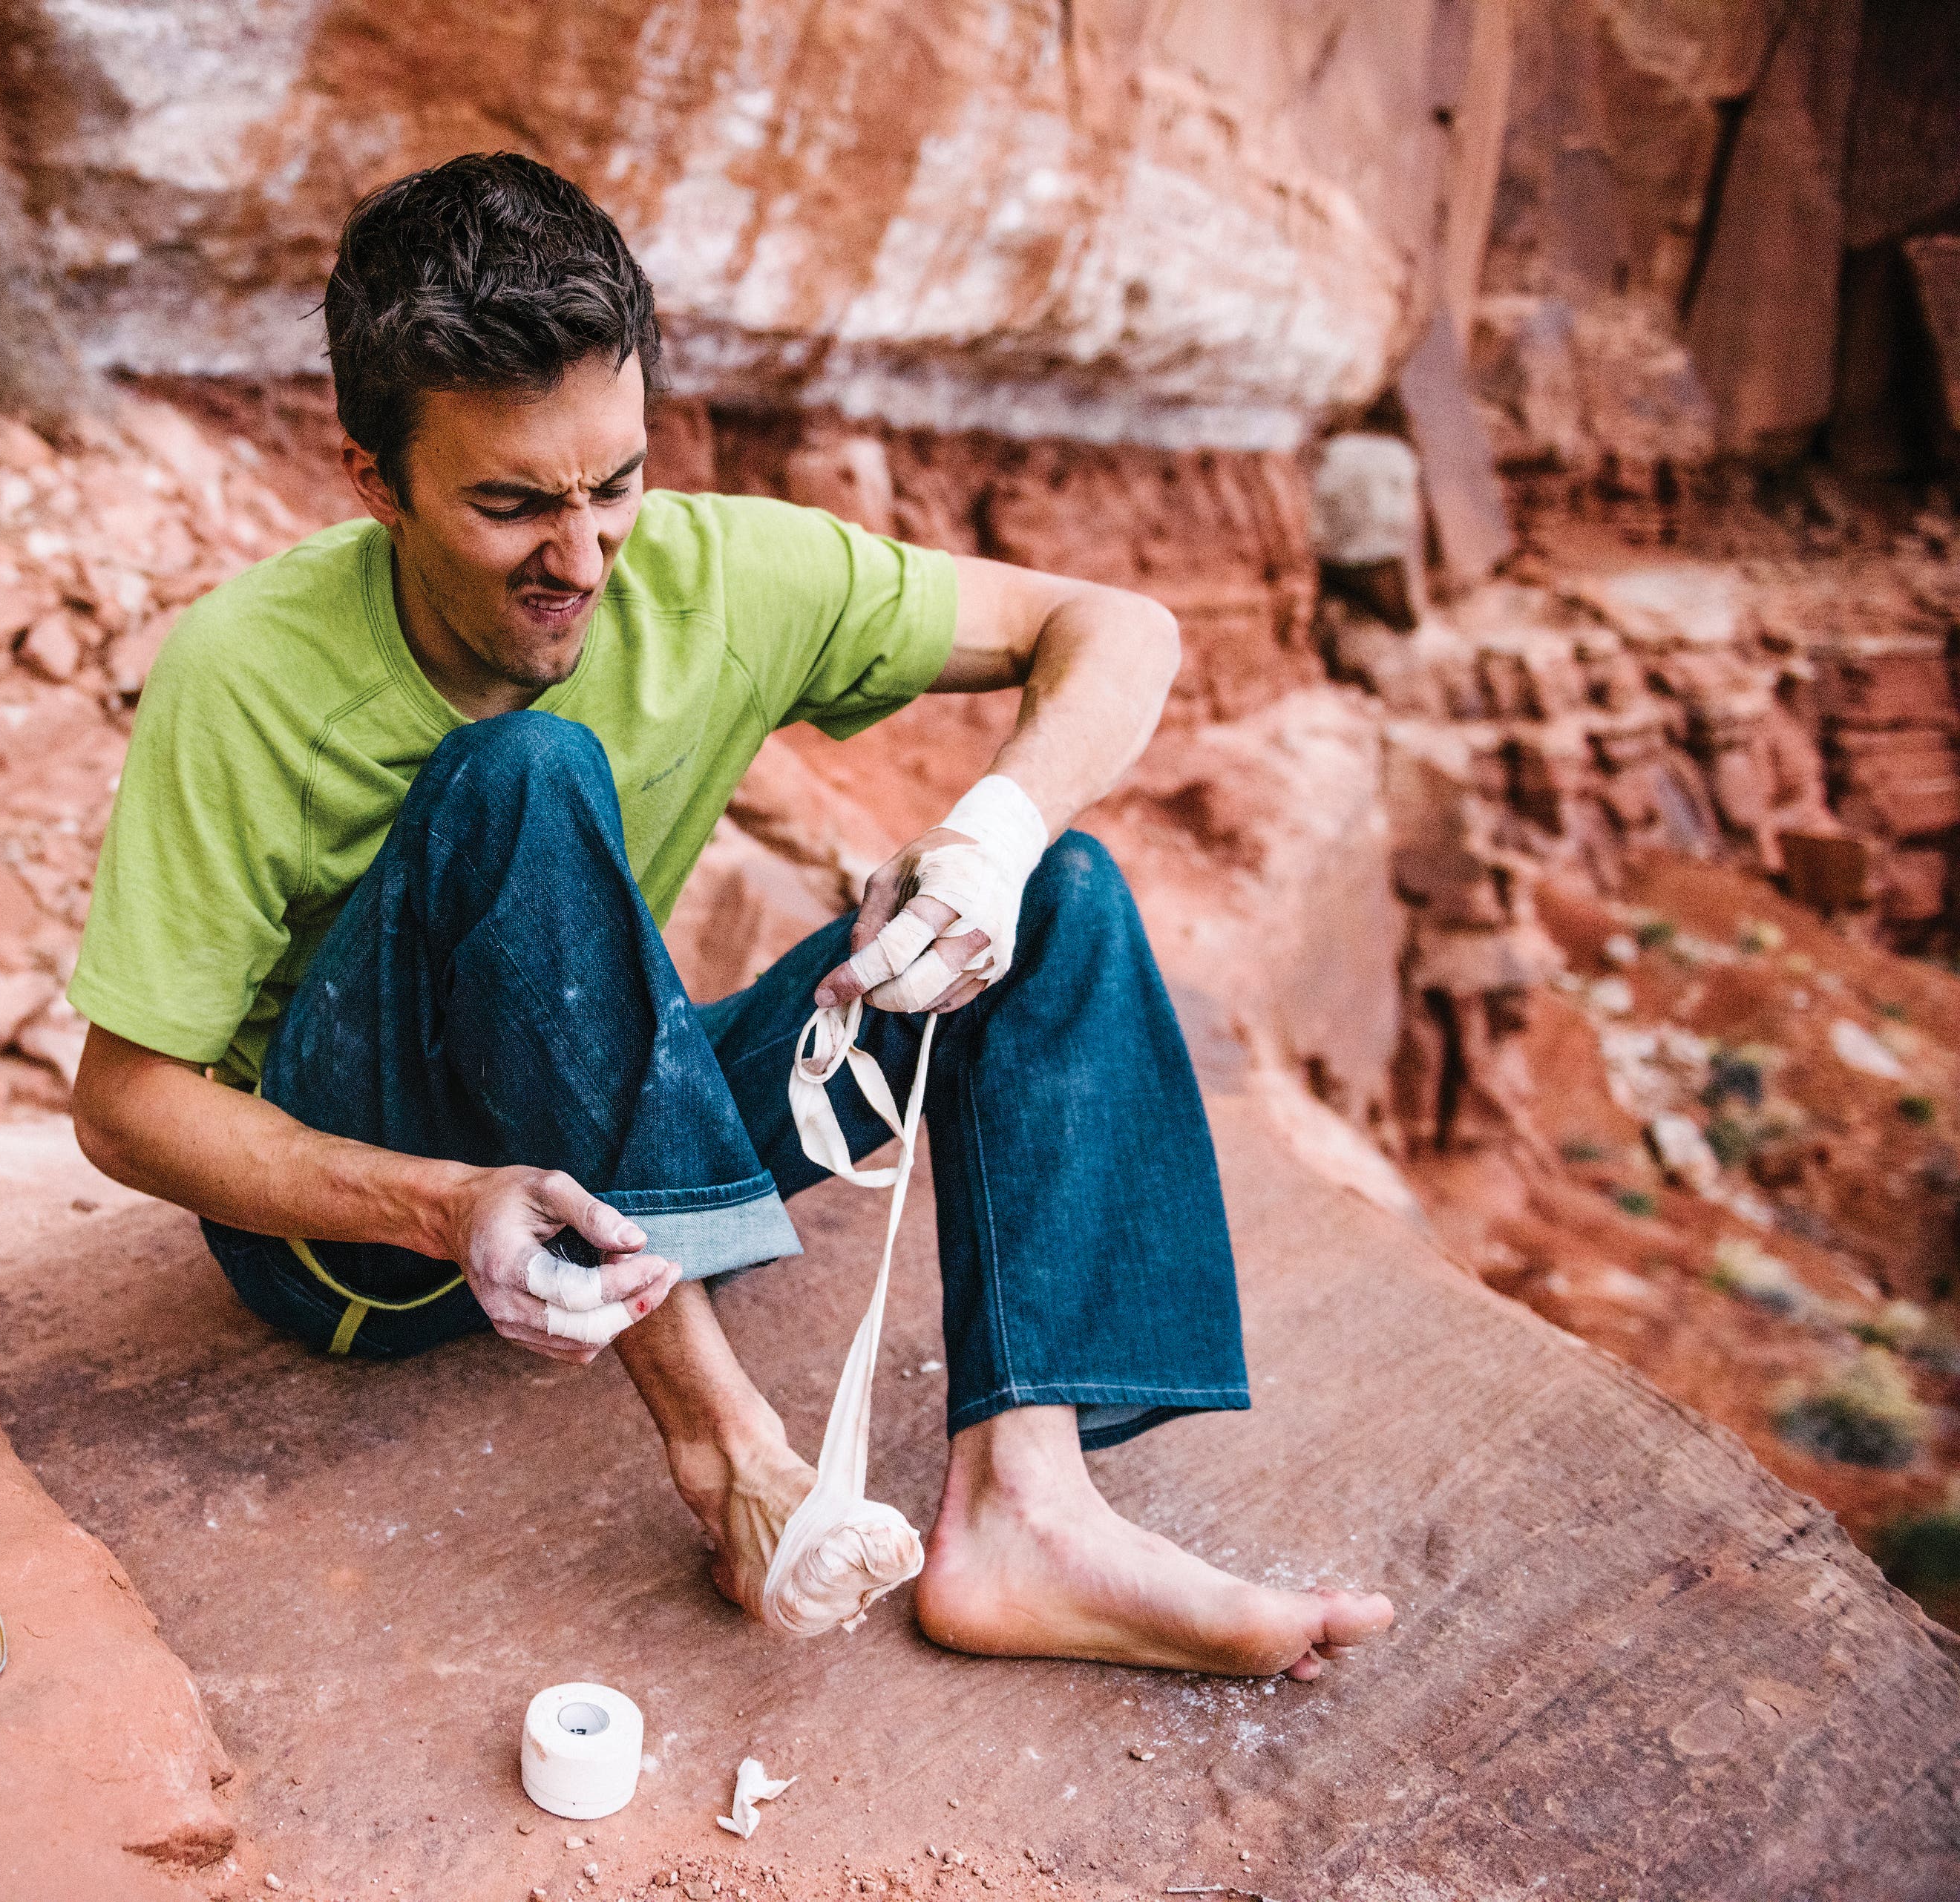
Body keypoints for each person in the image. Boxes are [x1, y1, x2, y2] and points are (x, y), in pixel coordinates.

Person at [69, 152, 1393, 1679]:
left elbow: (1118, 628)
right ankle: (734, 1462)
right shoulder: (246, 670)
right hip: (371, 1248)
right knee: (521, 774)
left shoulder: (717, 576)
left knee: (1060, 891)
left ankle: (1026, 1511)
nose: (582, 558)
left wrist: (991, 836)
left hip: (606, 1160)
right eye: (510, 505)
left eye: (614, 483)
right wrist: (443, 1204)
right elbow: (124, 1107)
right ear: (375, 481)